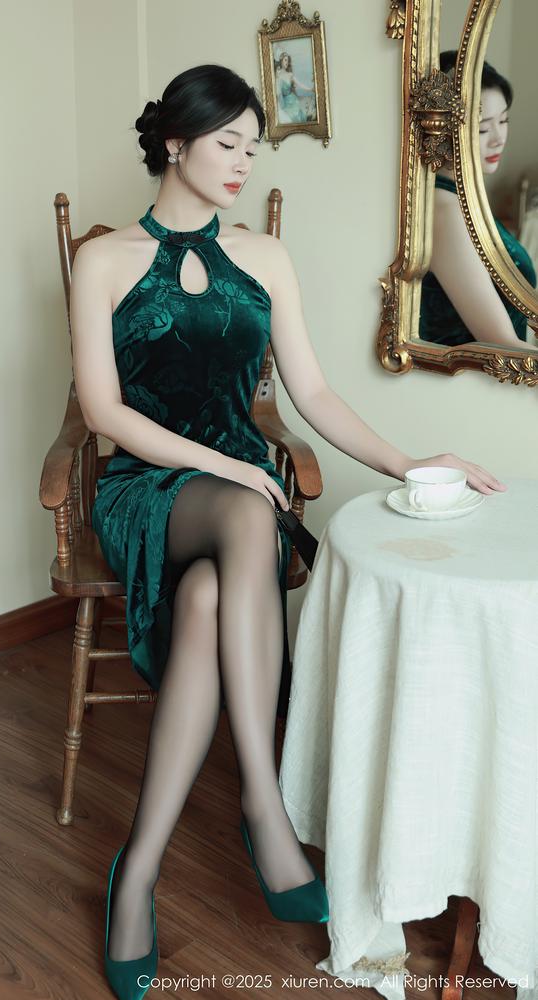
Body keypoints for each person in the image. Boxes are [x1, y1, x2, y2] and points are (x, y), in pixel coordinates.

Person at [69, 63, 507, 1000]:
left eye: (253, 147)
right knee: (246, 509)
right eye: (227, 143)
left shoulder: (264, 256)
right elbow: (104, 412)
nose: (244, 162)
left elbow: (311, 394)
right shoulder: (101, 261)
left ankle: (135, 874)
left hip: (238, 498)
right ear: (175, 144)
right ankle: (263, 806)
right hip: (149, 489)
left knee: (207, 598)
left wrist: (409, 462)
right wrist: (229, 467)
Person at [419, 51, 537, 347]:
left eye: (504, 120)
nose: (499, 138)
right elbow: (500, 343)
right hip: (477, 374)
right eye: (483, 128)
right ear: (445, 128)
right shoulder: (445, 210)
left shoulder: (464, 196)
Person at [275, 51, 314, 124]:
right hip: (283, 101)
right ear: (281, 60)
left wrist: (310, 89)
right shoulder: (277, 74)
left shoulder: (290, 75)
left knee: (295, 117)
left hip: (292, 100)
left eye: (288, 60)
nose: (287, 62)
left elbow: (300, 84)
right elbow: (277, 90)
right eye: (285, 60)